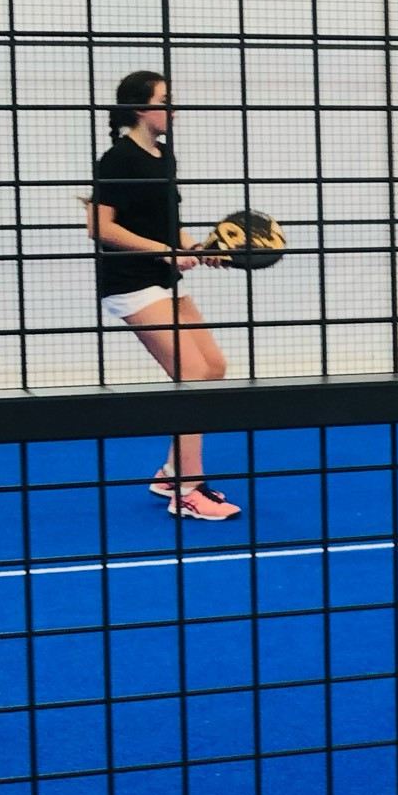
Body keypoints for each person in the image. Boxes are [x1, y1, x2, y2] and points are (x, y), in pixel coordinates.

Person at [89, 70, 241, 521]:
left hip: (163, 279)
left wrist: (196, 248)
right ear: (141, 109)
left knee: (212, 367)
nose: (173, 109)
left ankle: (171, 472)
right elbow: (99, 227)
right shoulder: (117, 159)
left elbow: (167, 223)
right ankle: (188, 490)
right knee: (190, 374)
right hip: (130, 282)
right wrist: (165, 251)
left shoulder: (164, 155)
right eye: (164, 100)